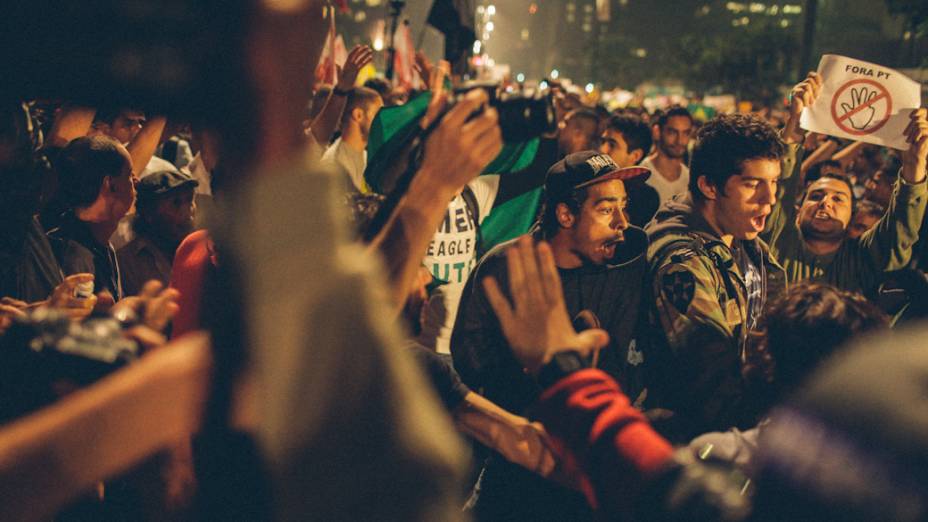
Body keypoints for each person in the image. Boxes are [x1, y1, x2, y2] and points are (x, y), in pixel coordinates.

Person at [451, 151, 650, 521]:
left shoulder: (629, 265)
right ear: (565, 215)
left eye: (624, 207)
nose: (623, 222)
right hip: (519, 473)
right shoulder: (505, 268)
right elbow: (470, 363)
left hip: (597, 473)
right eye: (607, 209)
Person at [643, 113, 786, 441]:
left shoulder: (741, 236)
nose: (770, 198)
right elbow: (711, 382)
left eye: (774, 181)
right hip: (705, 446)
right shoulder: (681, 261)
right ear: (709, 185)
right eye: (752, 184)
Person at [763, 72, 928, 294]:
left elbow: (900, 229)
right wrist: (794, 127)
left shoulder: (863, 257)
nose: (825, 202)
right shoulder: (776, 242)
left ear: (852, 216)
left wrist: (914, 169)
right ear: (798, 210)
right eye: (815, 196)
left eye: (838, 198)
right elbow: (778, 190)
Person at [47, 135, 138, 301]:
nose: (136, 181)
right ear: (110, 185)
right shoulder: (74, 255)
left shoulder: (98, 239)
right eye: (130, 175)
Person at [117, 168, 198, 297]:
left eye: (189, 200)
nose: (187, 211)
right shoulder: (126, 261)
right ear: (149, 213)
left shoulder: (206, 249)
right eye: (175, 203)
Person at [599, 112, 659, 226]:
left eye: (612, 145)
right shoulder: (589, 182)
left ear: (635, 155)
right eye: (603, 142)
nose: (602, 149)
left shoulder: (646, 198)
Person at [321, 86, 383, 194]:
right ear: (358, 115)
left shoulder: (366, 157)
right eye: (377, 115)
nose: (382, 122)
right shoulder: (334, 164)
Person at [641, 105, 694, 203]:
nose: (680, 141)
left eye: (686, 133)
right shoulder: (642, 175)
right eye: (673, 132)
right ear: (657, 132)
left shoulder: (689, 178)